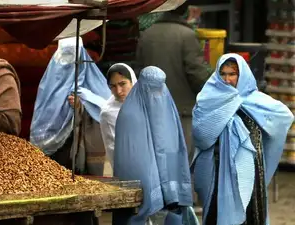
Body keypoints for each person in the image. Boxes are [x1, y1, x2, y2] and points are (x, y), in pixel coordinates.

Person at [192, 53, 294, 225]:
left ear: (242, 75)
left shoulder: (254, 99)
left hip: (251, 170)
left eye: (232, 74)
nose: (227, 79)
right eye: (222, 74)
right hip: (218, 169)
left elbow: (282, 116)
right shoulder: (208, 99)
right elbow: (201, 136)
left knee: (250, 213)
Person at [113, 66, 194, 225]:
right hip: (142, 187)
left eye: (159, 89)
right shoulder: (129, 115)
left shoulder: (167, 106)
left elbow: (173, 148)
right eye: (151, 90)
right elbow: (134, 160)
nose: (155, 95)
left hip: (167, 189)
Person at [136, 2, 210, 159]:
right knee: (181, 161)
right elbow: (196, 72)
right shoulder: (187, 35)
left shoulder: (147, 34)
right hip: (181, 111)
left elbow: (139, 71)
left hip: (152, 110)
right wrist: (213, 91)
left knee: (156, 160)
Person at [30, 37, 111, 176]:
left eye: (73, 54)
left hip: (79, 147)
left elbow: (107, 111)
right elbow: (41, 113)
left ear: (81, 56)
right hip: (51, 151)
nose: (68, 61)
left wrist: (81, 106)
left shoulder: (94, 83)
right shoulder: (49, 83)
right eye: (65, 55)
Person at [99, 63, 137, 175]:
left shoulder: (146, 103)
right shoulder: (108, 113)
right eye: (113, 87)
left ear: (133, 82)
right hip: (128, 169)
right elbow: (113, 149)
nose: (119, 91)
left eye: (122, 84)